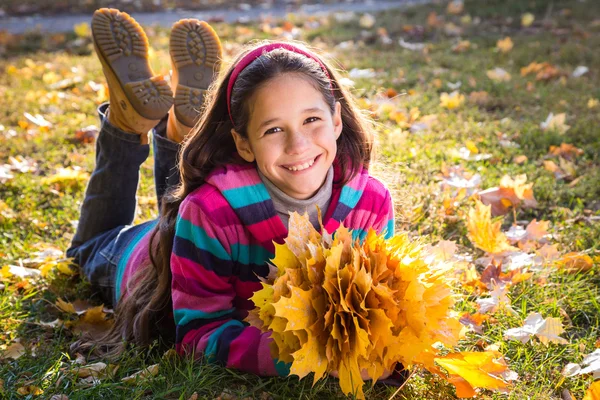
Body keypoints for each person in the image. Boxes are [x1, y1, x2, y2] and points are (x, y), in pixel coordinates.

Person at [69, 7, 402, 384]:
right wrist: (299, 357)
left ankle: (180, 127)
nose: (298, 145)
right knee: (86, 250)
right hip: (144, 261)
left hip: (193, 229)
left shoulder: (371, 203)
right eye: (274, 129)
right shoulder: (208, 213)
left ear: (337, 120)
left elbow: (377, 307)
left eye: (312, 120)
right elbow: (199, 332)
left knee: (181, 206)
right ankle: (126, 125)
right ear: (243, 144)